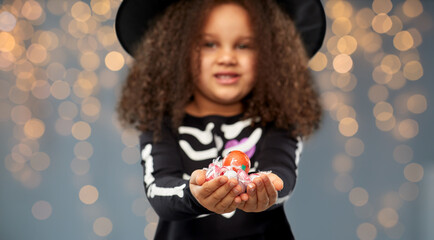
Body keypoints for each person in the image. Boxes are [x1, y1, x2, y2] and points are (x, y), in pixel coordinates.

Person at [115, 0, 325, 239]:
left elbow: (281, 173)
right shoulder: (160, 123)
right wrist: (194, 196)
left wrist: (267, 187)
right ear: (175, 50)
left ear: (272, 55)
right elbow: (159, 191)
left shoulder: (280, 119)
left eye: (244, 45)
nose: (227, 57)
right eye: (209, 44)